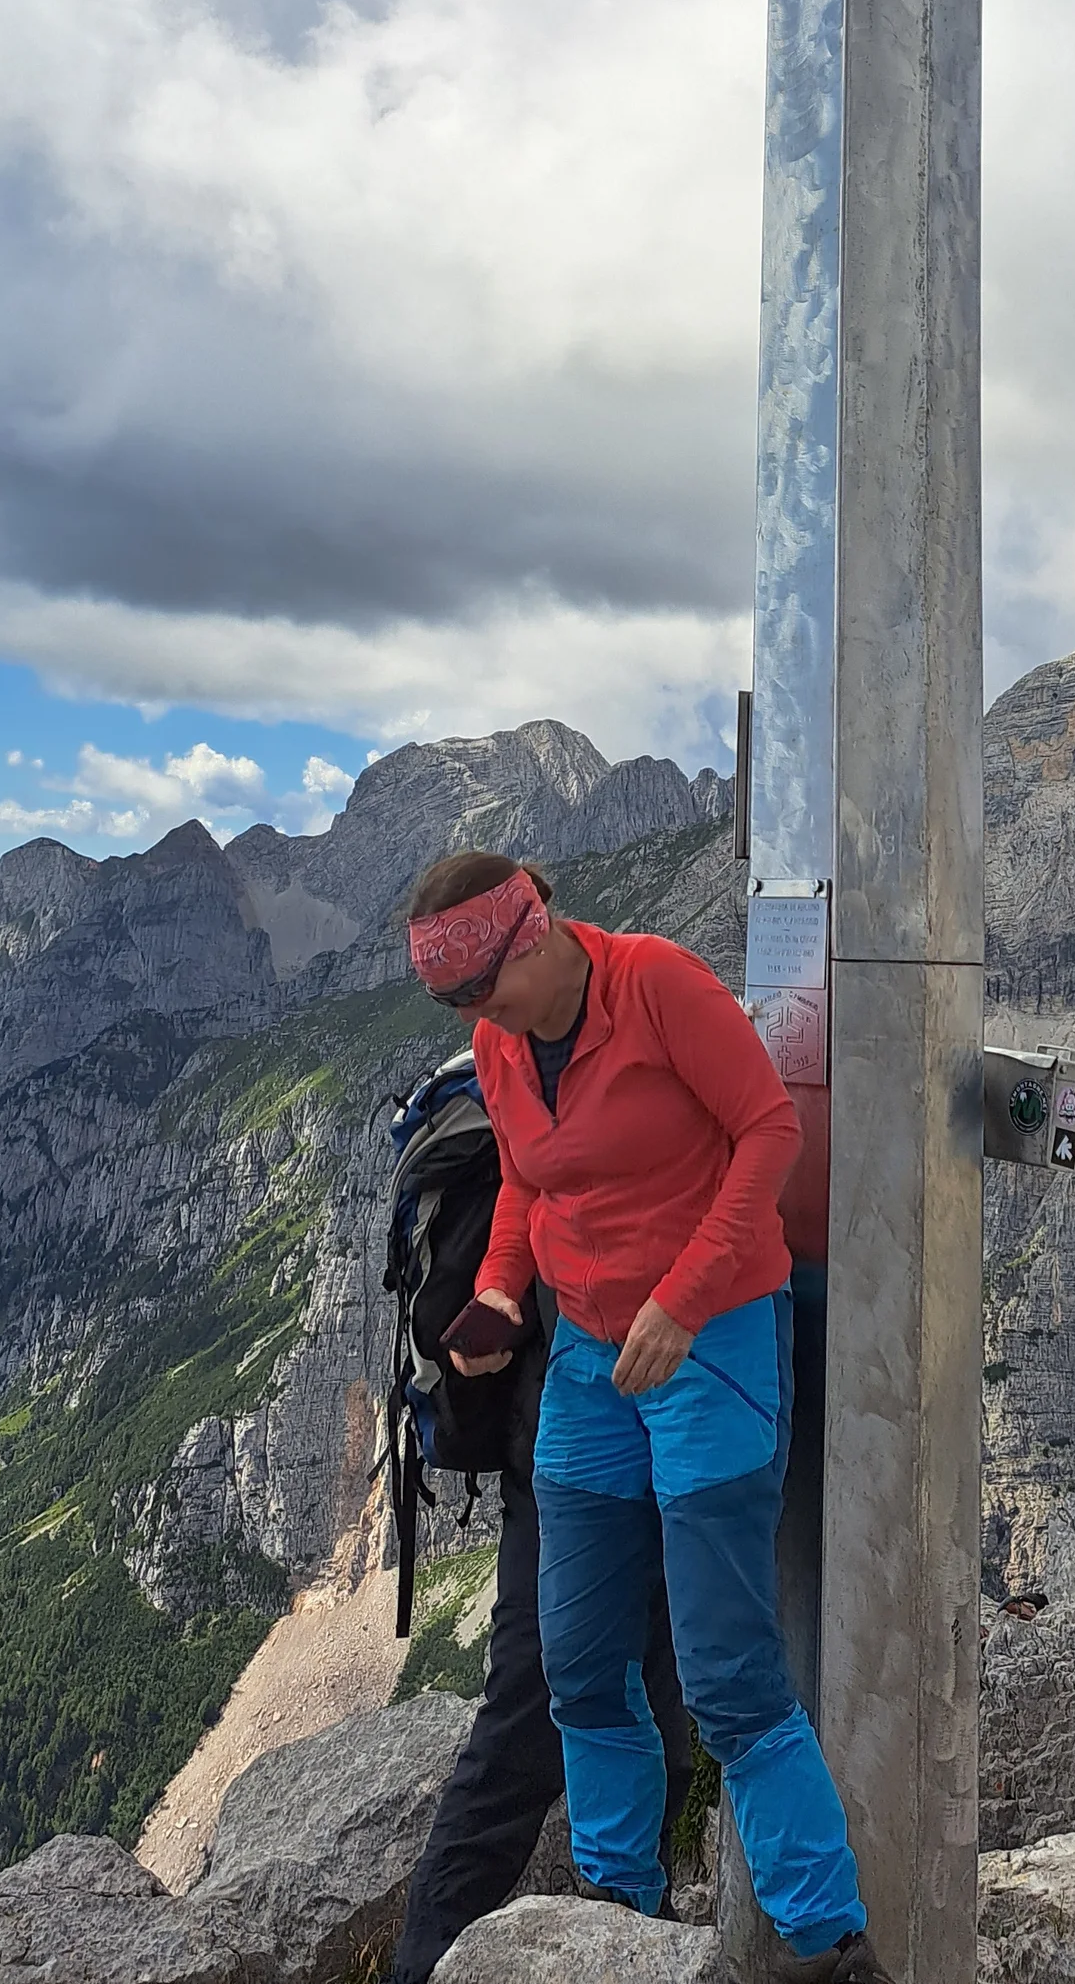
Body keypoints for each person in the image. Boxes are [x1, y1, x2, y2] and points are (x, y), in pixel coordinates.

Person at [406, 849, 885, 1984]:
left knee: (727, 1675)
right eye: (456, 1000)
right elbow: (527, 1178)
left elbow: (769, 1131)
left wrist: (685, 1298)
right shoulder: (501, 1046)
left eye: (483, 987)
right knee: (578, 1659)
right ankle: (618, 1915)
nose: (478, 1016)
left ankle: (830, 1944)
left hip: (712, 1342)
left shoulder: (659, 984)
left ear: (533, 931)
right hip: (587, 1354)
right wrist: (499, 1290)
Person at [386, 1019, 694, 1984]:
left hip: (613, 1455)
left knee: (655, 1708)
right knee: (531, 1715)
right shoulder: (576, 1105)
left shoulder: (606, 1076)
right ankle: (424, 1963)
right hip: (567, 1460)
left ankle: (631, 1932)